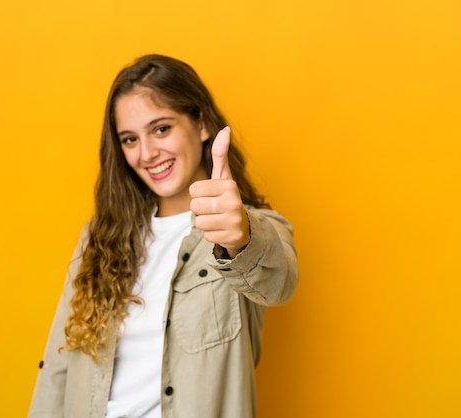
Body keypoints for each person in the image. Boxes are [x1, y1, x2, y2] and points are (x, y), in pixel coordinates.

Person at [28, 54, 298, 418]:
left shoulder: (244, 228)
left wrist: (241, 237)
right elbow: (61, 363)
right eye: (129, 139)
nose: (147, 153)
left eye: (161, 129)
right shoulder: (99, 238)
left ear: (201, 124)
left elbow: (277, 281)